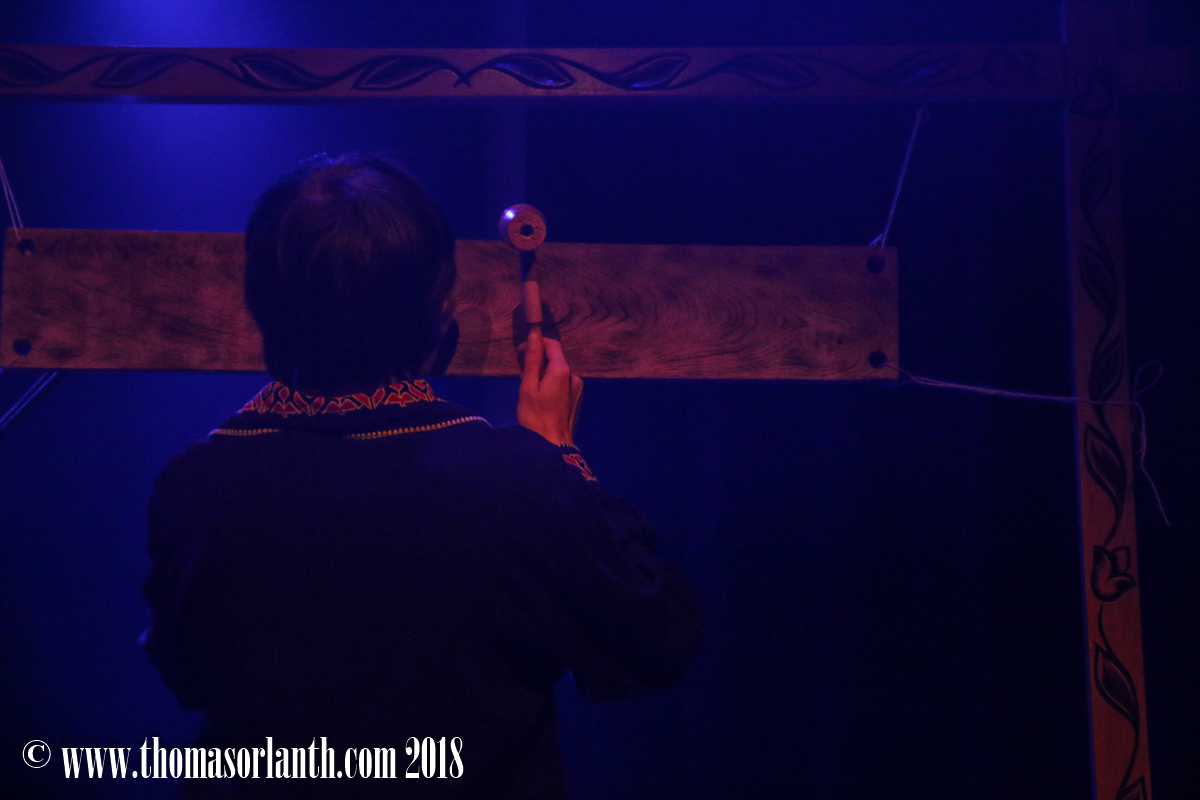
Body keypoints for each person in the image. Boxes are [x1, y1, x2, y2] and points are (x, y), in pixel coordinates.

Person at [141, 154, 702, 798]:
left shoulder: (196, 486)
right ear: (440, 314)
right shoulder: (513, 482)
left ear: (260, 306)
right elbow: (654, 639)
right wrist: (559, 453)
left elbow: (184, 674)